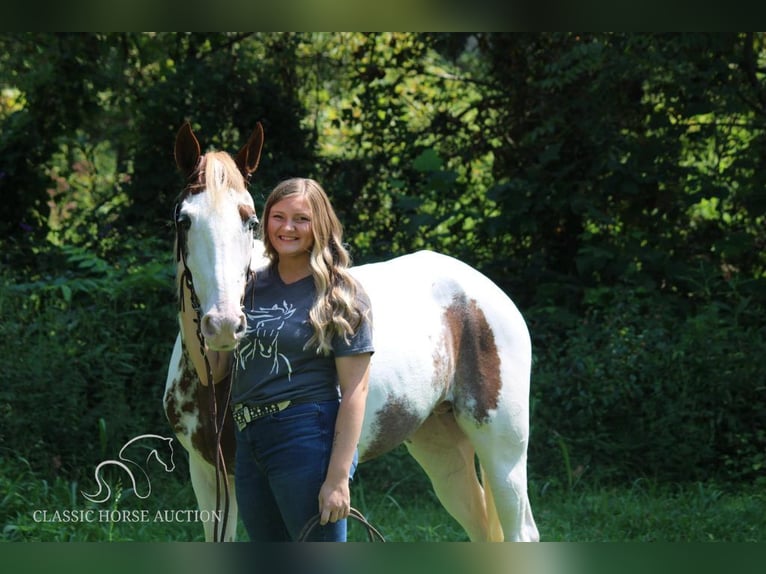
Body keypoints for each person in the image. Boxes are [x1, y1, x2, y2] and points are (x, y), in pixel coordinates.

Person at [209, 177, 374, 542]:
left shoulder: (340, 294)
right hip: (248, 434)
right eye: (278, 216)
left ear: (321, 225)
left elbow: (355, 392)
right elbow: (216, 371)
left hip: (304, 433)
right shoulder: (247, 286)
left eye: (301, 219)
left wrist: (337, 478)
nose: (287, 228)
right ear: (264, 222)